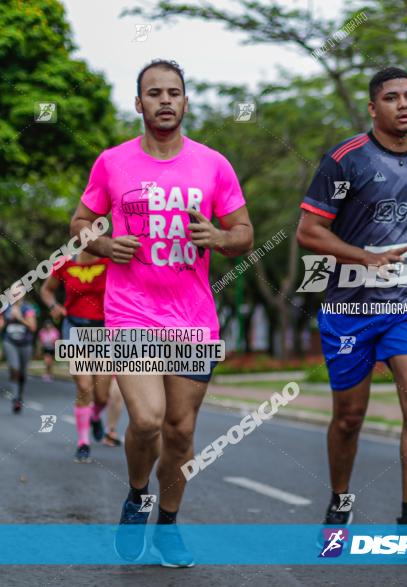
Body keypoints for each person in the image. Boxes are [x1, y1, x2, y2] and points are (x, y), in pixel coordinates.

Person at [69, 58, 253, 567]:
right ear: (139, 103)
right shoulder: (112, 163)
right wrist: (104, 244)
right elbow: (81, 222)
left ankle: (168, 525)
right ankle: (135, 496)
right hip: (131, 311)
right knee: (146, 420)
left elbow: (244, 233)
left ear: (186, 102)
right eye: (154, 93)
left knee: (180, 431)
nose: (165, 100)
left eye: (174, 92)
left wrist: (218, 237)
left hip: (193, 317)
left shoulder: (213, 165)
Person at [296, 67, 407, 531]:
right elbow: (308, 231)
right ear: (372, 107)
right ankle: (340, 498)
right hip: (351, 305)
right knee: (349, 417)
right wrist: (363, 257)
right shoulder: (345, 161)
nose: (404, 105)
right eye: (392, 98)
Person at [40, 251, 114, 463]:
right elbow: (46, 290)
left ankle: (95, 416)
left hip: (104, 330)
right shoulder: (64, 263)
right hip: (74, 329)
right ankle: (83, 443)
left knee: (102, 395)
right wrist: (54, 306)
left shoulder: (110, 261)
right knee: (84, 386)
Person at [1, 299, 38, 413]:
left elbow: (33, 327)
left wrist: (20, 318)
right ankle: (16, 398)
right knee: (14, 369)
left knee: (22, 373)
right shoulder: (6, 308)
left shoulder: (28, 308)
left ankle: (19, 396)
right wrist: (8, 319)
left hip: (25, 344)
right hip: (10, 343)